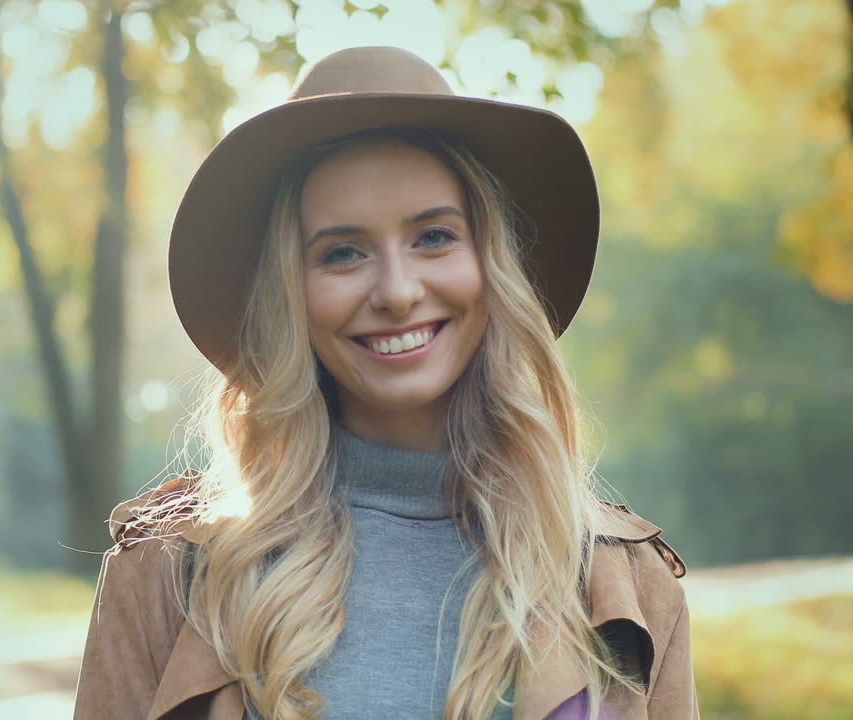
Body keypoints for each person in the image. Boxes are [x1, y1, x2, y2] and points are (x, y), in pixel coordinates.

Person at [73, 46, 696, 720]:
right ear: (291, 294)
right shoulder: (168, 575)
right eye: (343, 252)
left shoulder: (626, 584)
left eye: (433, 237)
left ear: (491, 264)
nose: (398, 292)